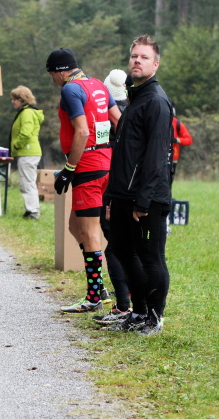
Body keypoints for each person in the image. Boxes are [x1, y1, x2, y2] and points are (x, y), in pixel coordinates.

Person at [106, 35, 173, 335]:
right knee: (121, 250)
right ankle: (139, 311)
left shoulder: (156, 101)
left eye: (144, 57)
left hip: (147, 198)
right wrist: (112, 196)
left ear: (155, 64)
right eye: (134, 56)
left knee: (151, 258)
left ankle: (155, 319)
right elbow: (124, 153)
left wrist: (143, 201)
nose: (137, 61)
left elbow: (157, 157)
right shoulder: (136, 99)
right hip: (123, 194)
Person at [46, 48, 121, 313]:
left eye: (52, 75)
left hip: (87, 168)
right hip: (105, 164)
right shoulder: (98, 85)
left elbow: (82, 131)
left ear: (59, 71)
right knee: (74, 226)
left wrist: (69, 168)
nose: (53, 80)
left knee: (90, 232)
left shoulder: (70, 89)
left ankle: (94, 297)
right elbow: (118, 120)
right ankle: (99, 287)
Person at [93, 69, 132, 325]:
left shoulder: (107, 113)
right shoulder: (133, 109)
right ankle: (130, 298)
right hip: (129, 184)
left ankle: (123, 304)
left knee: (114, 246)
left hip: (110, 182)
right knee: (125, 245)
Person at [9, 86, 44, 220]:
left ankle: (32, 211)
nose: (13, 101)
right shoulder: (28, 112)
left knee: (27, 183)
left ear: (22, 99)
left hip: (27, 152)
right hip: (29, 151)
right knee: (29, 182)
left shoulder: (26, 113)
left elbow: (25, 133)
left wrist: (16, 145)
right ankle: (32, 209)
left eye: (14, 99)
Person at [169, 103, 192, 184]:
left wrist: (177, 140)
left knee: (168, 182)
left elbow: (189, 140)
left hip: (173, 158)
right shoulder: (156, 121)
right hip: (157, 158)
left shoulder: (177, 123)